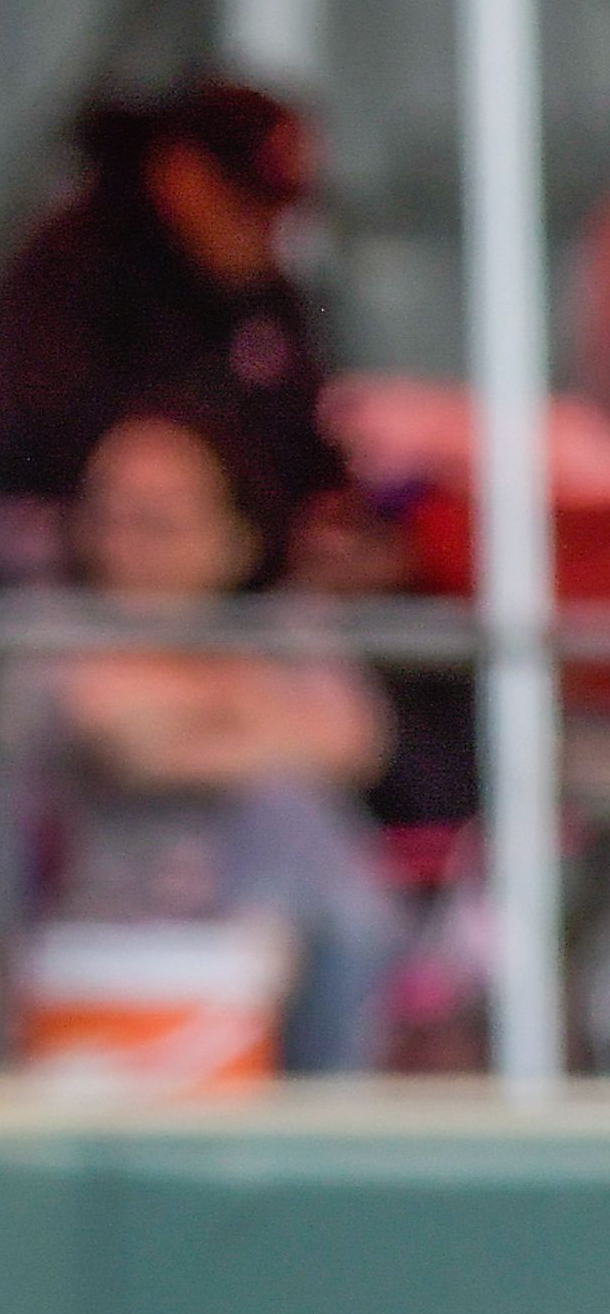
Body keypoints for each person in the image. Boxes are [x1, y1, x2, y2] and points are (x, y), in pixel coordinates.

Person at [37, 410, 399, 1076]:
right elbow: (126, 741)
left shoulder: (285, 622)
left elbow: (356, 741)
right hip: (119, 936)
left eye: (159, 523)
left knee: (289, 815)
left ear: (234, 537)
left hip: (289, 943)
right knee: (288, 804)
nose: (127, 546)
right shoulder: (55, 630)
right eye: (109, 517)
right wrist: (256, 711)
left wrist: (197, 720)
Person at [0, 80, 347, 573]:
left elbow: (302, 425)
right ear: (184, 177)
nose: (264, 234)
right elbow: (29, 436)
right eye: (244, 208)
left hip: (232, 575)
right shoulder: (70, 272)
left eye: (277, 216)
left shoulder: (263, 293)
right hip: (83, 570)